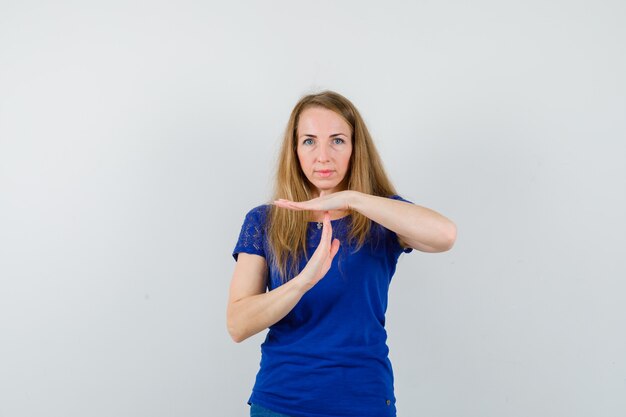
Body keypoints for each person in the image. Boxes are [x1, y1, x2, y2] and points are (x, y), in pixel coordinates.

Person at [228, 90, 456, 417]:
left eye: (337, 141)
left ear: (354, 148)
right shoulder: (264, 221)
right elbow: (238, 325)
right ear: (294, 149)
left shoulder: (380, 216)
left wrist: (351, 199)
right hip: (281, 401)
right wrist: (303, 282)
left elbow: (445, 235)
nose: (323, 156)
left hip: (364, 400)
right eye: (309, 141)